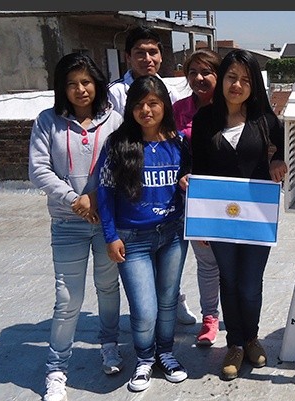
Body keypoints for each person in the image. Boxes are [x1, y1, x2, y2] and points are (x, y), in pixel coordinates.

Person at [181, 49, 288, 381]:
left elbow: (285, 154)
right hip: (219, 218)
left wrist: (277, 161)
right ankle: (235, 345)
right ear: (222, 79)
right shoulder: (204, 120)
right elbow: (198, 167)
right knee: (228, 280)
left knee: (250, 283)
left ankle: (252, 338)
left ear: (254, 85)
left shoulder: (267, 121)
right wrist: (195, 208)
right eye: (231, 77)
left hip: (256, 217)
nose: (237, 85)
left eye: (245, 79)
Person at [28, 52, 124, 401]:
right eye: (71, 84)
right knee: (68, 299)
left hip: (105, 222)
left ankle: (109, 345)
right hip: (68, 223)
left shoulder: (114, 120)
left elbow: (123, 164)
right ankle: (56, 368)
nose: (80, 89)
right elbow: (39, 169)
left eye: (86, 82)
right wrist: (74, 200)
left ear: (97, 83)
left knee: (108, 287)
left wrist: (95, 197)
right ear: (62, 88)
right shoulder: (47, 121)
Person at [96, 75, 190, 393]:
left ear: (165, 105)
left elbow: (192, 186)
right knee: (145, 308)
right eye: (139, 104)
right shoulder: (118, 144)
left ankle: (166, 353)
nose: (146, 110)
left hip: (173, 235)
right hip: (132, 238)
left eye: (153, 103)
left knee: (167, 301)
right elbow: (105, 192)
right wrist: (111, 236)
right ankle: (145, 358)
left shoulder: (179, 143)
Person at [108, 24, 198, 325]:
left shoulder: (169, 89)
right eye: (140, 53)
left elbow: (175, 136)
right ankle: (140, 319)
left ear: (161, 56)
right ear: (128, 57)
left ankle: (173, 302)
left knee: (169, 264)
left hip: (165, 191)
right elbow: (114, 142)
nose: (147, 59)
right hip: (133, 187)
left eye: (153, 52)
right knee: (135, 274)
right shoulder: (116, 94)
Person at [172, 49, 223, 344]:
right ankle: (209, 318)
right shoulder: (178, 110)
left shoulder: (232, 107)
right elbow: (168, 151)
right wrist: (181, 174)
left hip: (229, 197)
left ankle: (240, 319)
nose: (199, 78)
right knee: (207, 262)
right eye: (193, 72)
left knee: (234, 263)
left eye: (206, 72)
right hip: (194, 198)